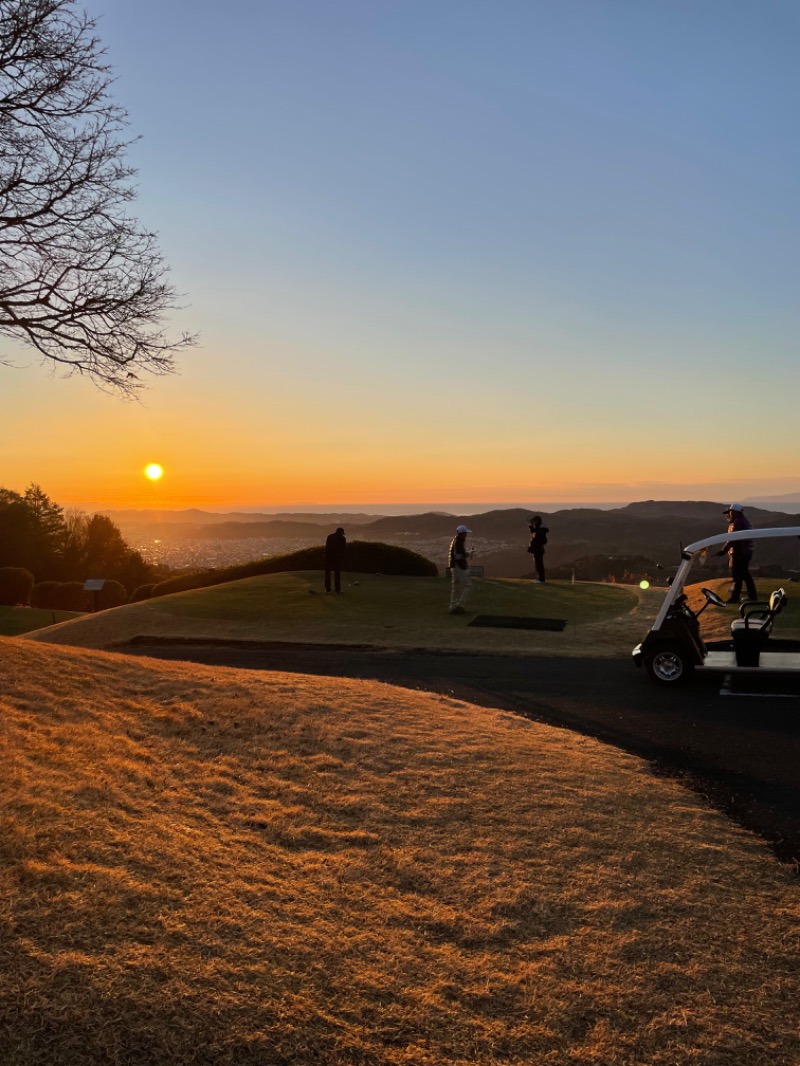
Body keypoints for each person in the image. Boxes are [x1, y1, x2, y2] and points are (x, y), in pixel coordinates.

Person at [717, 504, 757, 604]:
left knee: (738, 575)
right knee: (744, 574)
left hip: (739, 552)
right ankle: (752, 595)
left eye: (730, 512)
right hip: (744, 552)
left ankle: (736, 597)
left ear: (735, 512)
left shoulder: (737, 522)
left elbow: (733, 539)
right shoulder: (742, 520)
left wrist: (724, 550)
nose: (729, 515)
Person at [448, 524, 472, 614]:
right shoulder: (458, 542)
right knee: (468, 586)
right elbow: (458, 556)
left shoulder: (455, 541)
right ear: (462, 534)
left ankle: (453, 606)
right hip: (459, 567)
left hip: (454, 566)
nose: (466, 535)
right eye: (465, 533)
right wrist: (467, 554)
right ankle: (459, 605)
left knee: (456, 587)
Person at [526, 515, 549, 584]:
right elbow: (533, 533)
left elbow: (543, 540)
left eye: (534, 521)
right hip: (537, 549)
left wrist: (537, 542)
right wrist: (531, 527)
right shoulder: (538, 529)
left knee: (539, 564)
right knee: (537, 564)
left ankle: (541, 579)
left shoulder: (540, 531)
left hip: (538, 549)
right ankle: (538, 578)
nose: (533, 523)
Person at [324, 527, 346, 594]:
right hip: (337, 558)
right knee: (337, 574)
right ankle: (337, 590)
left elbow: (327, 547)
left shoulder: (330, 536)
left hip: (328, 557)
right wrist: (341, 559)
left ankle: (328, 590)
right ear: (342, 532)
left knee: (327, 573)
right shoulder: (342, 538)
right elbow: (343, 550)